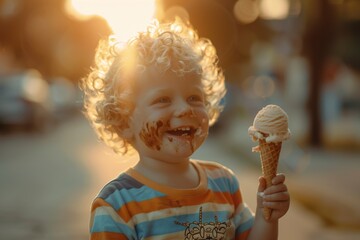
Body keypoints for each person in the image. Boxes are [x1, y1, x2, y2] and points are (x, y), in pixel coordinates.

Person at [82, 19, 290, 240]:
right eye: (162, 99)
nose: (184, 108)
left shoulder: (224, 183)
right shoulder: (117, 206)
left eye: (194, 97)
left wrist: (267, 217)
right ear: (124, 123)